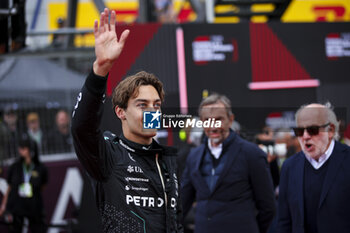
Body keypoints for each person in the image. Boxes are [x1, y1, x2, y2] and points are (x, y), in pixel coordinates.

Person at [71, 8, 183, 233]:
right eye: (142, 105)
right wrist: (100, 70)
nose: (152, 112)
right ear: (121, 112)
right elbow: (82, 128)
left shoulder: (166, 161)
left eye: (156, 105)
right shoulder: (109, 156)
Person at [181, 93, 276, 233]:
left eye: (218, 119)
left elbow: (268, 207)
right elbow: (182, 203)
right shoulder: (193, 156)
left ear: (230, 120)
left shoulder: (252, 154)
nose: (213, 126)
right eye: (207, 120)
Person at [277, 103, 350, 233]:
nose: (305, 136)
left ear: (331, 130)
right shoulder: (289, 167)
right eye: (299, 131)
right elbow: (284, 220)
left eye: (313, 130)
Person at [0, 134, 48, 233]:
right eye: (20, 147)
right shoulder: (15, 167)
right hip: (17, 205)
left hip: (34, 205)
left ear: (30, 149)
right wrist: (4, 205)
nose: (20, 150)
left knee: (38, 228)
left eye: (24, 148)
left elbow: (43, 185)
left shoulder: (40, 168)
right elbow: (10, 186)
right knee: (15, 228)